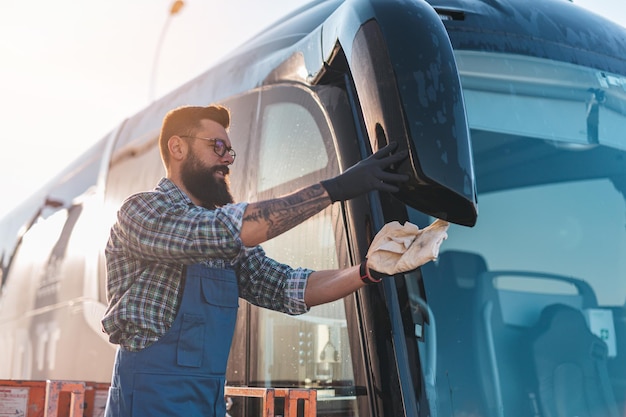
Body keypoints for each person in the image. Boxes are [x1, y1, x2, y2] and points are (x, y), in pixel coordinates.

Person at [102, 104, 411, 417]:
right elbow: (218, 231)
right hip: (146, 406)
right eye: (217, 146)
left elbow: (287, 286)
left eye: (230, 151)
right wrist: (338, 188)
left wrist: (369, 269)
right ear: (177, 147)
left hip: (206, 406)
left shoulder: (226, 241)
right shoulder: (142, 212)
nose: (226, 159)